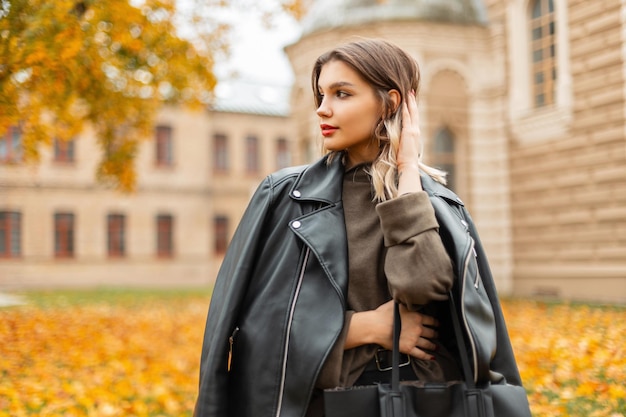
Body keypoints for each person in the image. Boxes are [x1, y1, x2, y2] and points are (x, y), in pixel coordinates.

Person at [194, 38, 524, 417]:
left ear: (392, 102)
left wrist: (408, 175)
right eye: (320, 95)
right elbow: (251, 331)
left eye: (342, 94)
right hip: (319, 401)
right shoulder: (285, 196)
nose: (323, 109)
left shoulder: (440, 204)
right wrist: (366, 327)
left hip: (423, 401)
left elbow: (423, 286)